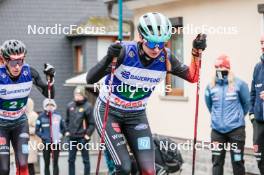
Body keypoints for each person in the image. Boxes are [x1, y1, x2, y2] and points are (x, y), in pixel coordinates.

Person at [86, 12, 207, 175]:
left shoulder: (166, 58)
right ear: (141, 38)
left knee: (150, 171)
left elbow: (192, 77)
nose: (156, 49)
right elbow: (90, 78)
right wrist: (109, 58)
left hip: (136, 115)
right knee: (124, 167)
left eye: (162, 43)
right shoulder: (124, 52)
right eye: (151, 43)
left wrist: (196, 52)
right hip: (110, 112)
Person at [0, 40, 55, 175]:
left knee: (24, 164)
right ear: (5, 61)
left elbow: (49, 95)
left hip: (20, 123)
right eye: (13, 62)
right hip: (1, 126)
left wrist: (50, 80)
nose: (17, 66)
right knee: (4, 169)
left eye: (21, 61)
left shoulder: (30, 72)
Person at [205, 55, 250, 175]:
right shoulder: (210, 86)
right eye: (216, 67)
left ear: (228, 68)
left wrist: (236, 117)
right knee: (217, 162)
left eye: (221, 67)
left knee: (237, 161)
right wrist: (218, 118)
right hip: (217, 132)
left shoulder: (240, 84)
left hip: (236, 131)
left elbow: (247, 104)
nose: (218, 70)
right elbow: (210, 106)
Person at [65, 86, 95, 175]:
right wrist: (67, 131)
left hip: (83, 138)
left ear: (83, 95)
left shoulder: (88, 106)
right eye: (76, 94)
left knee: (85, 160)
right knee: (71, 160)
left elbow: (92, 123)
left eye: (79, 95)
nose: (77, 96)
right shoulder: (70, 106)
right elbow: (66, 120)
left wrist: (87, 135)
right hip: (72, 138)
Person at [35, 98, 64, 175]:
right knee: (46, 163)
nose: (50, 106)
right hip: (46, 143)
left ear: (54, 106)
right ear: (45, 106)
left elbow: (64, 128)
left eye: (51, 105)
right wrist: (44, 137)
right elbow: (37, 130)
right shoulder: (41, 117)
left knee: (55, 162)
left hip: (56, 143)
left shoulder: (58, 116)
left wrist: (60, 134)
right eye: (48, 105)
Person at [249, 35, 264, 174]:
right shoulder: (258, 67)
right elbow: (252, 93)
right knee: (260, 158)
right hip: (259, 123)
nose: (262, 46)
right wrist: (252, 115)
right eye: (261, 43)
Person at [26, 98, 40, 175]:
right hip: (22, 142)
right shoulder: (21, 115)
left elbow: (37, 129)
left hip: (31, 142)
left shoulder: (34, 115)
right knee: (23, 162)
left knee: (30, 163)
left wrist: (27, 130)